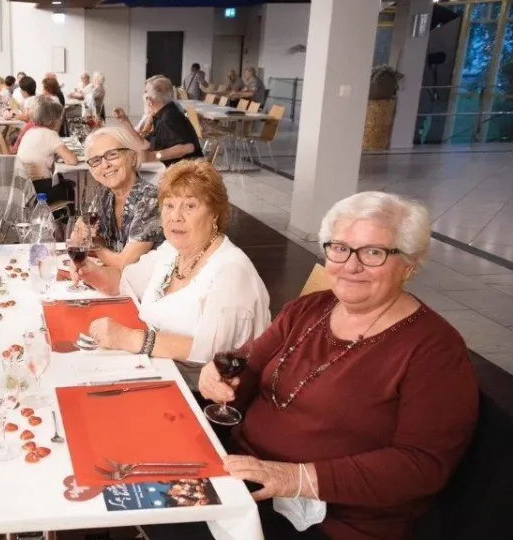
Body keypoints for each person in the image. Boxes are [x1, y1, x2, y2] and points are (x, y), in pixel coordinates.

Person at [193, 191, 479, 540]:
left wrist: (296, 478)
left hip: (332, 519)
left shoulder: (434, 349)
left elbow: (422, 465)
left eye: (373, 252)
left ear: (409, 265)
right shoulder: (309, 308)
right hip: (244, 473)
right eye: (340, 248)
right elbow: (247, 365)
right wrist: (218, 378)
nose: (350, 266)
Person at [74, 160, 270, 390]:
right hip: (158, 370)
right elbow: (125, 281)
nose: (175, 216)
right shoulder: (171, 250)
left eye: (190, 206)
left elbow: (214, 354)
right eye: (169, 205)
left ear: (214, 214)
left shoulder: (232, 271)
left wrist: (130, 338)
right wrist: (91, 271)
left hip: (203, 391)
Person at [82, 127, 163, 269]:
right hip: (113, 276)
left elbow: (125, 263)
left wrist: (95, 245)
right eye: (96, 160)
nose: (105, 165)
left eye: (112, 155)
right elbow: (80, 233)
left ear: (133, 158)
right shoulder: (103, 195)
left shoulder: (150, 199)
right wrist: (87, 237)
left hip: (146, 279)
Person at [113, 76, 202, 166]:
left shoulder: (169, 117)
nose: (143, 96)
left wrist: (154, 156)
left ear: (150, 100)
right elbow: (143, 144)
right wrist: (124, 120)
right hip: (178, 167)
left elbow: (188, 148)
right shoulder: (161, 114)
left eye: (146, 92)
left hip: (189, 170)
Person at [15, 95, 78, 204]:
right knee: (69, 188)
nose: (60, 122)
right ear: (51, 120)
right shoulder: (50, 134)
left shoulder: (30, 131)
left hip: (23, 187)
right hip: (39, 188)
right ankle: (63, 215)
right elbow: (72, 161)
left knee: (62, 181)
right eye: (59, 119)